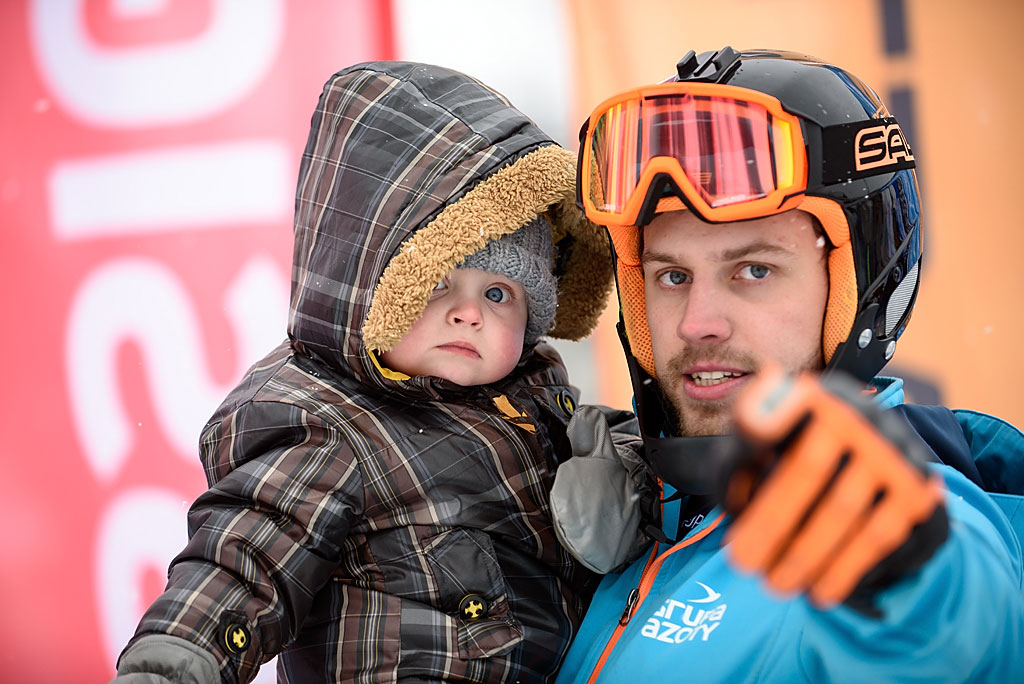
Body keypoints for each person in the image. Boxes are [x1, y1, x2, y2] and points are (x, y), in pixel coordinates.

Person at [111, 61, 616, 683]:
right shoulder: (327, 424)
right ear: (371, 288)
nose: (468, 315)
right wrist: (178, 660)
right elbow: (246, 558)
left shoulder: (536, 401)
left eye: (500, 295)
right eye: (434, 283)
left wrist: (626, 471)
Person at [550, 47, 1024, 682]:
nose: (697, 322)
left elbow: (952, 640)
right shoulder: (632, 524)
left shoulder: (897, 519)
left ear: (855, 291)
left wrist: (905, 570)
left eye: (754, 270)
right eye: (671, 276)